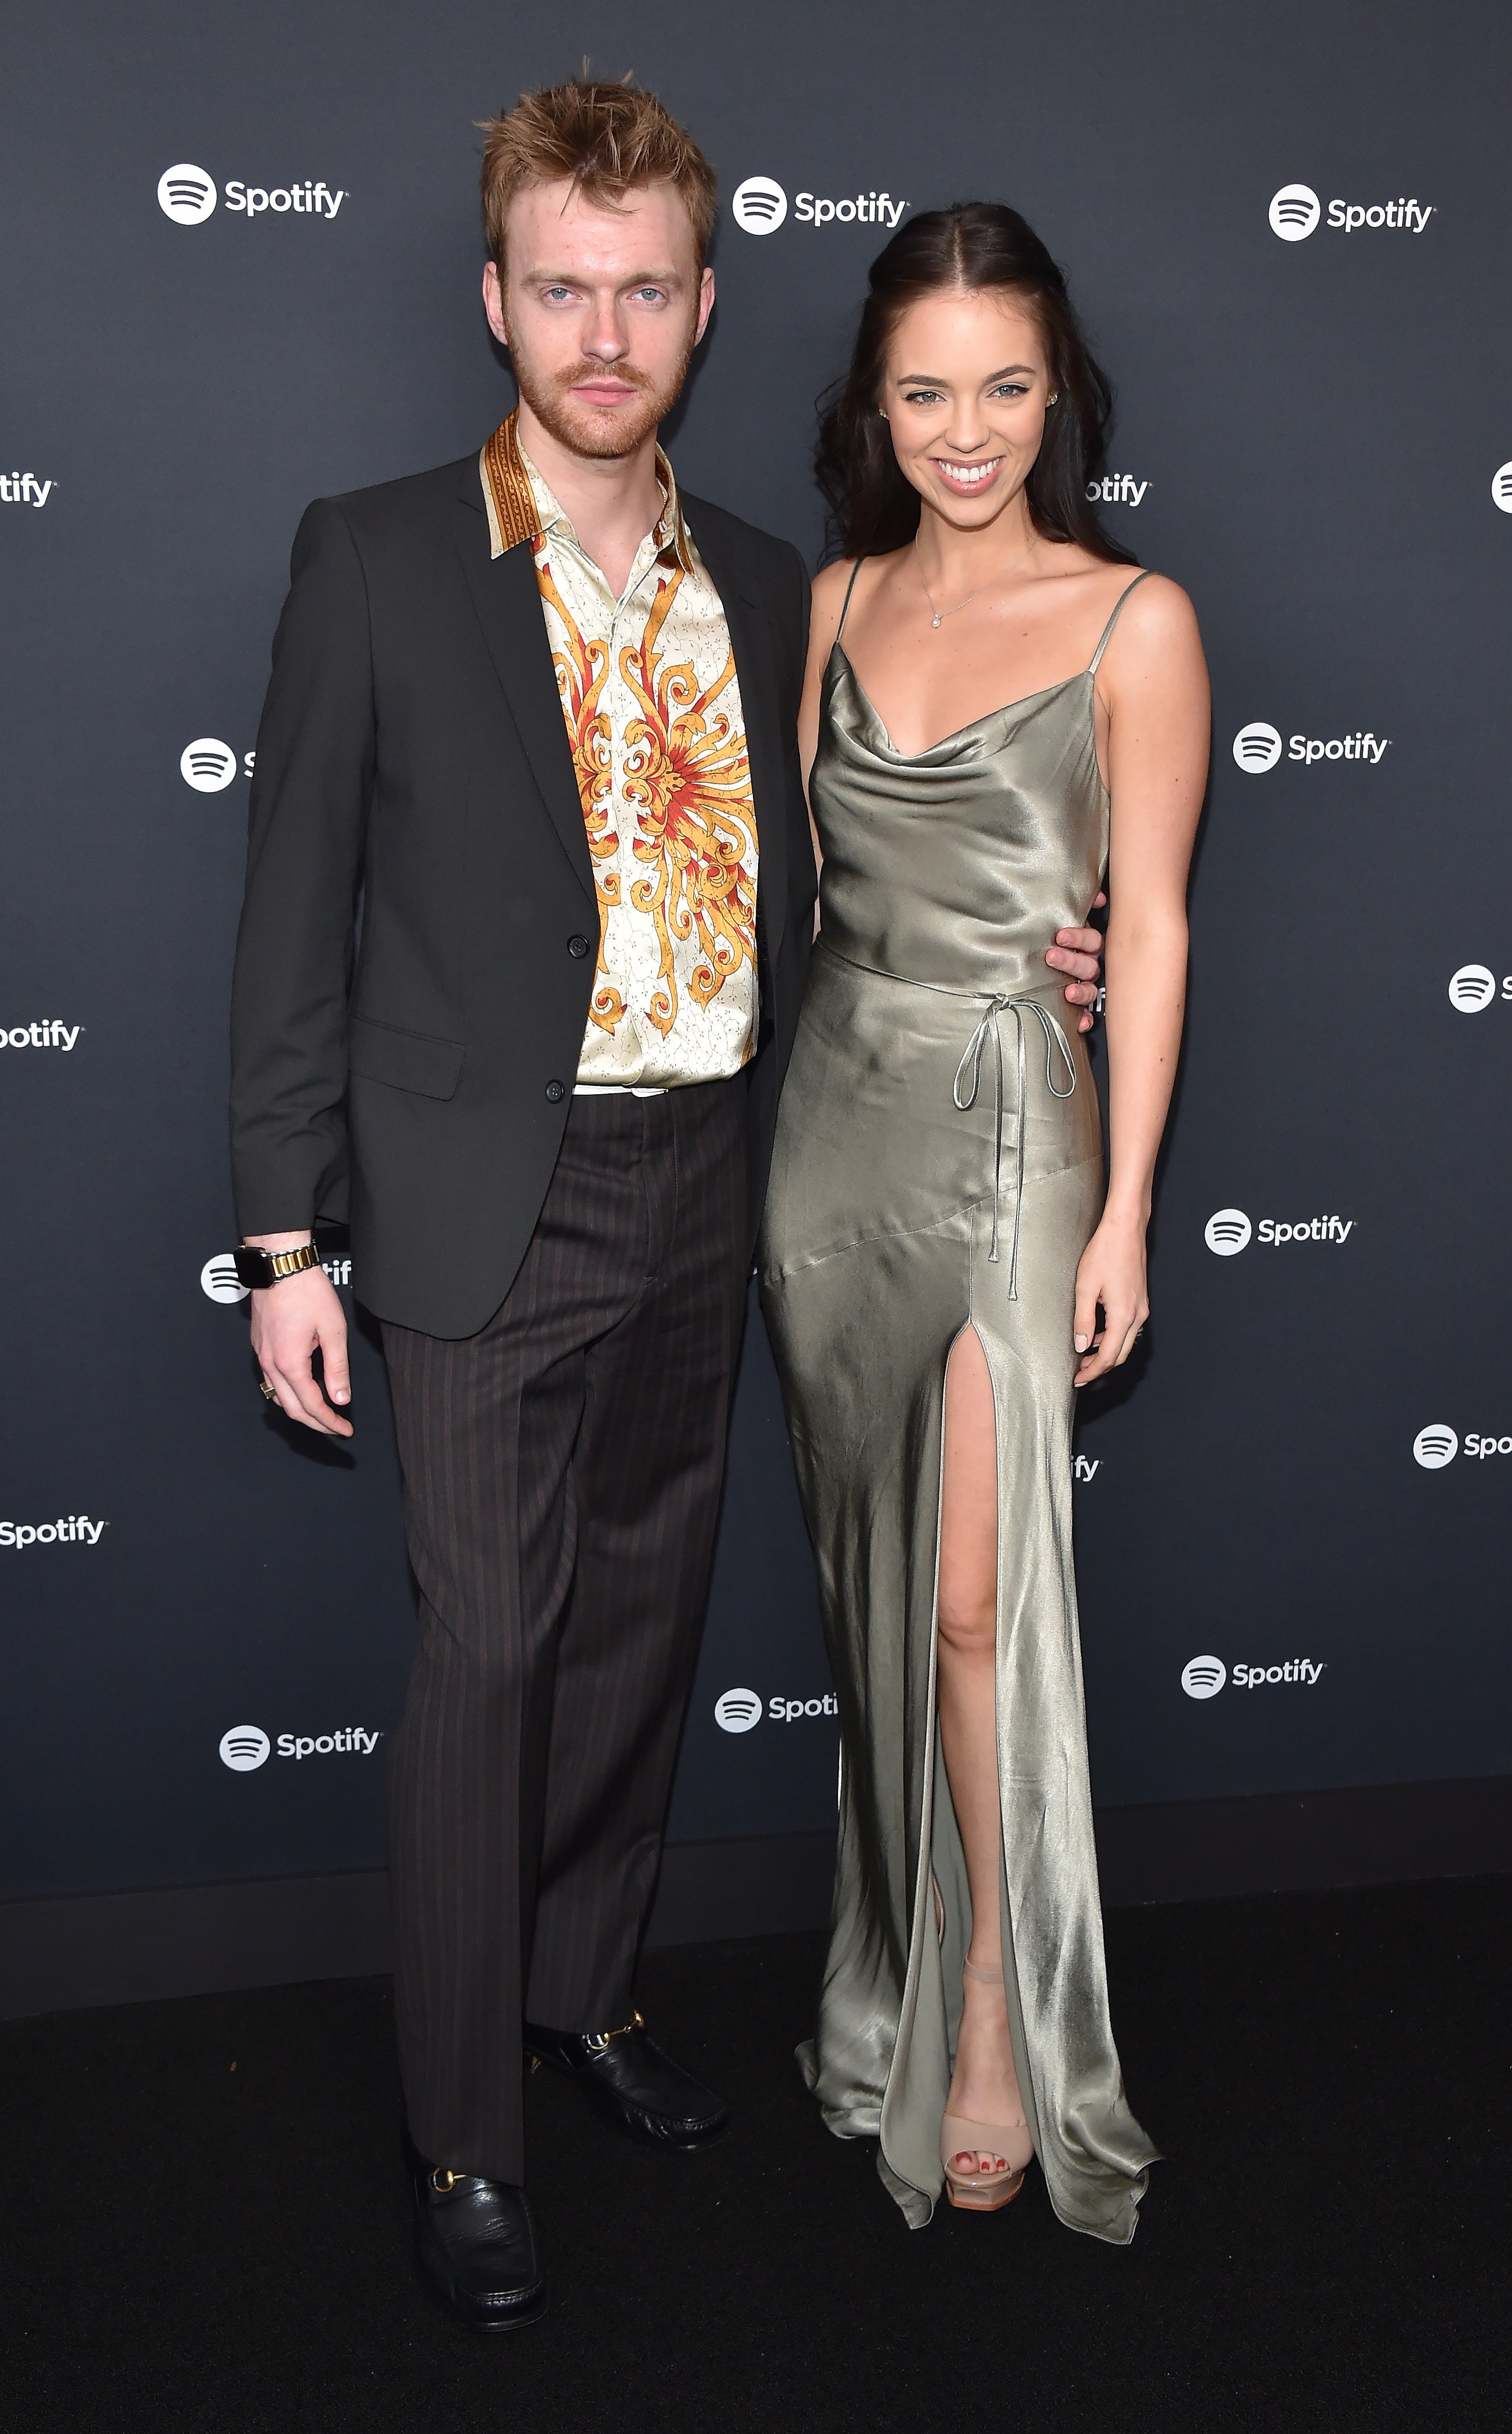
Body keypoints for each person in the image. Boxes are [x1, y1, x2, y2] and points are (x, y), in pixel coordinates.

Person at [227, 85, 1115, 2328]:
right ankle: (462, 2127)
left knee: (632, 1635)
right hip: (464, 1206)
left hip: (714, 1176)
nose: (601, 331)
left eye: (643, 290)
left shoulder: (765, 578)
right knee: (490, 1655)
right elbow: (286, 924)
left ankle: (584, 2000)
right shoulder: (372, 552)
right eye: (561, 286)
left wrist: (1033, 946)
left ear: (703, 310)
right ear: (496, 299)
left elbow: (872, 868)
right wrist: (284, 1244)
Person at [761, 203, 1209, 2239]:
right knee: (874, 1608)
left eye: (1006, 387)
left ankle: (1003, 2035)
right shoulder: (835, 604)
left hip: (1023, 1129)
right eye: (927, 391)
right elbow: (807, 912)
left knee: (970, 1599)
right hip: (831, 1134)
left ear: (1060, 390)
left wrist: (1129, 1207)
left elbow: (1162, 919)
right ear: (877, 399)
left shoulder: (1137, 622)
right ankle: (901, 1962)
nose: (968, 430)